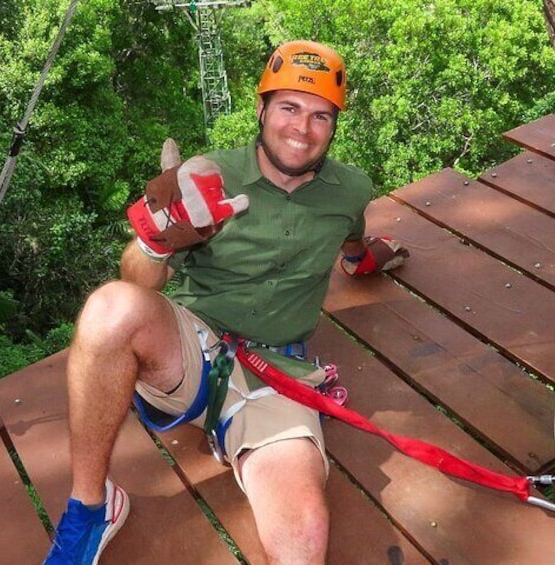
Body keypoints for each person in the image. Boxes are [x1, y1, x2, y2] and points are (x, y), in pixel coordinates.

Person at [43, 40, 408, 565]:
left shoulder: (349, 189)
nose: (302, 130)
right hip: (190, 348)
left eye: (320, 116)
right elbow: (139, 285)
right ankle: (91, 506)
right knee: (110, 308)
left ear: (334, 125)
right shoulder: (208, 175)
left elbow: (354, 245)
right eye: (288, 108)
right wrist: (158, 239)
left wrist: (372, 258)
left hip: (276, 374)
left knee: (303, 541)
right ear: (260, 109)